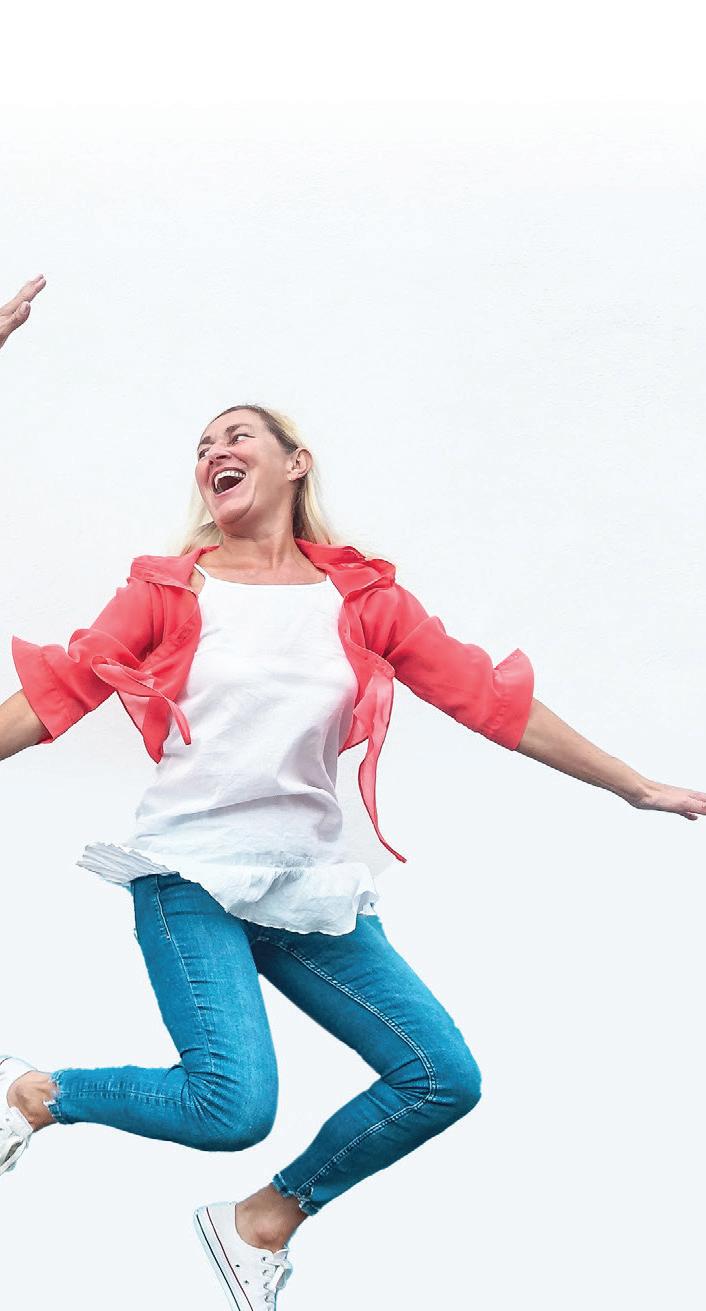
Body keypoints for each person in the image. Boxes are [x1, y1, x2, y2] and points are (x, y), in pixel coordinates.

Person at [2, 275, 705, 1311]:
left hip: (303, 885)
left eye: (237, 435)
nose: (214, 452)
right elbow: (54, 694)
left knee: (439, 1076)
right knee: (230, 1105)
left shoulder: (363, 599)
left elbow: (493, 702)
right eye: (202, 445)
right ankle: (34, 1094)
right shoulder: (170, 588)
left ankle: (263, 1220)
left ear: (294, 462)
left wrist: (636, 786)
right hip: (189, 874)